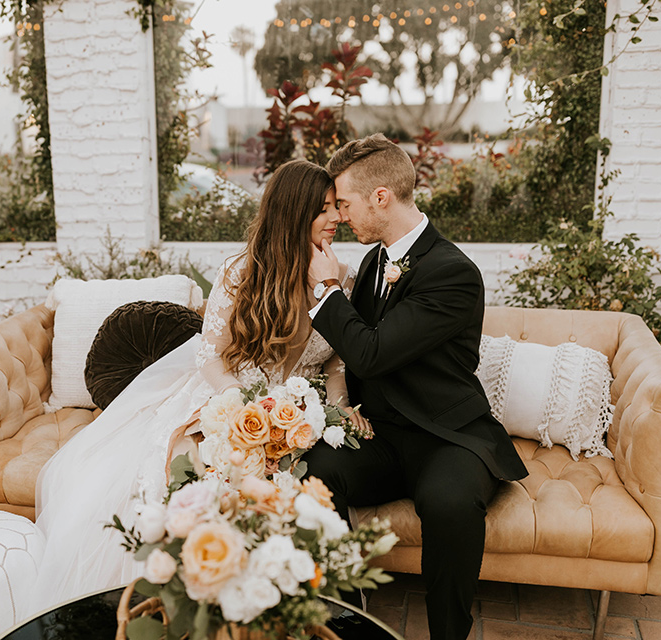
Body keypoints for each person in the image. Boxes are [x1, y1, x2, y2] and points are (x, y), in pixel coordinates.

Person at [26, 159, 365, 614]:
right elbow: (210, 356)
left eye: (336, 208)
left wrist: (336, 416)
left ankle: (279, 603)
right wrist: (250, 409)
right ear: (295, 213)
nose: (337, 218)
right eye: (325, 209)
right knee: (200, 470)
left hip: (299, 417)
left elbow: (338, 365)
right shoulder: (242, 272)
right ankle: (194, 596)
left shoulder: (342, 278)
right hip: (228, 400)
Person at [302, 134, 529, 640]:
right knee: (312, 471)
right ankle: (344, 613)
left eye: (344, 203)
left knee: (449, 505)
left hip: (447, 436)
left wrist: (325, 290)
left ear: (381, 197)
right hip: (382, 435)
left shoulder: (453, 273)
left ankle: (449, 633)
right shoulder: (373, 262)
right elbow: (353, 352)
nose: (339, 216)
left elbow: (373, 351)